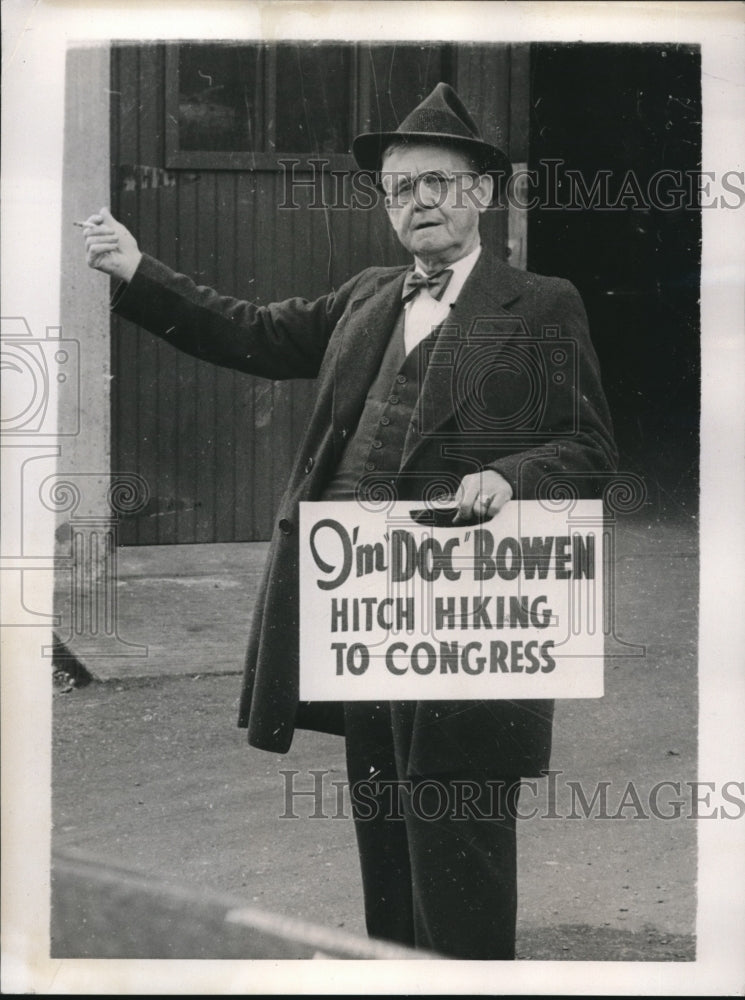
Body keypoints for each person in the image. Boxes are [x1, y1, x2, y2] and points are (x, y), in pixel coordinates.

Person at [82, 82, 617, 960]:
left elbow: (588, 448)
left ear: (480, 192)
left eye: (437, 184)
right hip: (364, 622)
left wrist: (506, 476)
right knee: (385, 844)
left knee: (460, 849)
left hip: (468, 627)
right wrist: (138, 272)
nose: (420, 204)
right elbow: (248, 330)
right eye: (401, 189)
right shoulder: (367, 296)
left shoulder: (540, 305)